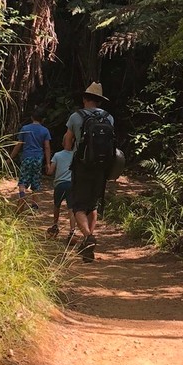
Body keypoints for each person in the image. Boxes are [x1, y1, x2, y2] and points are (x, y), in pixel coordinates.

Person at [63, 82, 115, 260]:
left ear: (85, 98)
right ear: (99, 101)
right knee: (93, 205)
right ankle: (88, 245)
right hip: (101, 167)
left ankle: (88, 236)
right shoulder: (109, 118)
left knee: (78, 205)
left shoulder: (76, 117)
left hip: (82, 165)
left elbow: (67, 143)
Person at [11, 106, 51, 197]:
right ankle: (34, 206)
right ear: (43, 119)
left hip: (26, 158)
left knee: (23, 181)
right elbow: (47, 147)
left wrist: (10, 158)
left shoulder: (25, 128)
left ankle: (22, 198)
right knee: (35, 182)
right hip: (38, 159)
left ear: (32, 117)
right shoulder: (45, 131)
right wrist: (48, 163)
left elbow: (18, 145)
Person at [46, 143, 74, 238]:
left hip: (60, 184)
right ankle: (72, 231)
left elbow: (50, 172)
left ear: (62, 143)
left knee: (57, 205)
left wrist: (48, 166)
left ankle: (55, 225)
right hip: (72, 184)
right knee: (71, 208)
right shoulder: (75, 155)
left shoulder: (57, 155)